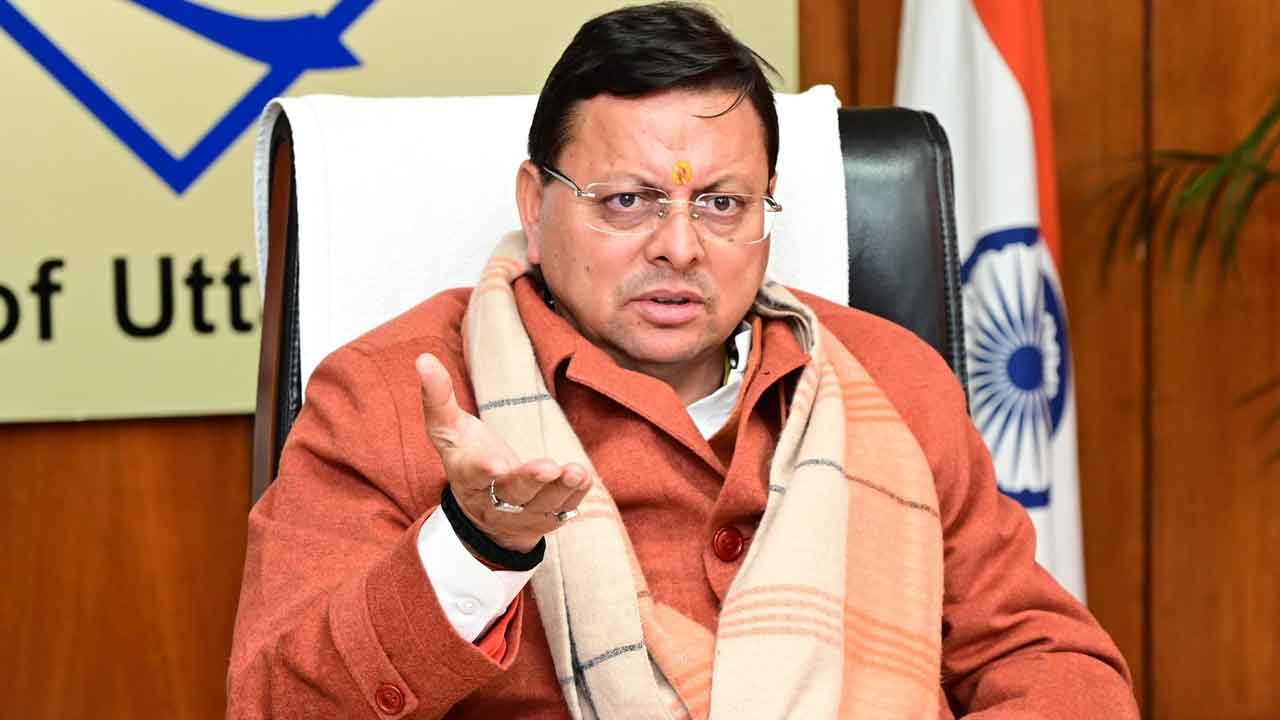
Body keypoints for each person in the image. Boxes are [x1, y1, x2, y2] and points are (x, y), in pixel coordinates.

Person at [227, 3, 1138, 718]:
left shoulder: (890, 381)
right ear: (535, 204)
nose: (679, 246)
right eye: (627, 201)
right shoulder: (397, 397)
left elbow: (1051, 661)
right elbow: (274, 705)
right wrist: (471, 547)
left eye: (722, 204)